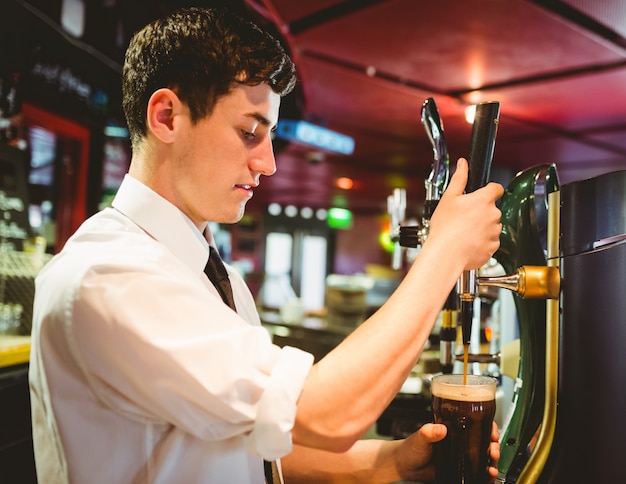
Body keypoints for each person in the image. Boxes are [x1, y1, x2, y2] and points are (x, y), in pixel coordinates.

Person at [29, 6, 504, 483]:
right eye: (250, 132)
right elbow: (323, 414)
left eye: (270, 135)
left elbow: (245, 446)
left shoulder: (217, 277)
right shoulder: (109, 276)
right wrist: (444, 253)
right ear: (167, 117)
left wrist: (388, 464)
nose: (270, 163)